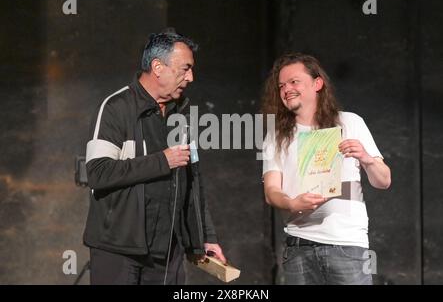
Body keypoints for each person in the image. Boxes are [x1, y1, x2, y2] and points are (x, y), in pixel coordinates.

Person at [83, 31, 226, 285]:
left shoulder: (180, 117)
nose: (191, 77)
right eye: (185, 69)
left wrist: (205, 235)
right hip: (118, 249)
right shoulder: (116, 108)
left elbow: (193, 183)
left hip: (167, 252)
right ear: (158, 67)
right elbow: (98, 173)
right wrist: (162, 161)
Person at [261, 53, 391, 285]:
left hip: (346, 245)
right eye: (281, 85)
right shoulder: (276, 135)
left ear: (317, 83)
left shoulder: (350, 122)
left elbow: (384, 181)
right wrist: (292, 203)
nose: (286, 89)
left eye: (294, 82)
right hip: (298, 246)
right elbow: (271, 191)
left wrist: (367, 159)